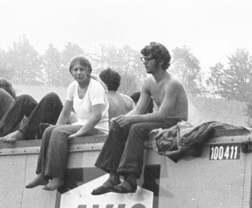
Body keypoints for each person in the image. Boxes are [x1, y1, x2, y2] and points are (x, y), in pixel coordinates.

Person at [92, 42, 188, 195]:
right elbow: (138, 109)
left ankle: (130, 180)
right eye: (143, 59)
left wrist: (131, 120)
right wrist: (122, 118)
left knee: (137, 127)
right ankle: (113, 177)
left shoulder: (173, 84)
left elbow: (162, 114)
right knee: (119, 124)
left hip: (175, 122)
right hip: (161, 120)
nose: (145, 63)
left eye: (148, 59)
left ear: (161, 61)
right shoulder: (148, 82)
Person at [26, 56, 109, 191]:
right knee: (50, 130)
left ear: (88, 71)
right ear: (71, 72)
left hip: (98, 128)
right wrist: (55, 128)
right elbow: (65, 113)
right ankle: (42, 174)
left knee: (59, 132)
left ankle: (58, 177)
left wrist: (79, 133)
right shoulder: (73, 86)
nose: (78, 72)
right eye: (75, 69)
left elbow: (96, 116)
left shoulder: (95, 87)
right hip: (80, 124)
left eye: (82, 69)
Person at [0, 79, 64, 144]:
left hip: (57, 126)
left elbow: (70, 115)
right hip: (38, 128)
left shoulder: (11, 108)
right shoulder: (14, 109)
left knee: (51, 97)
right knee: (24, 98)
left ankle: (18, 133)